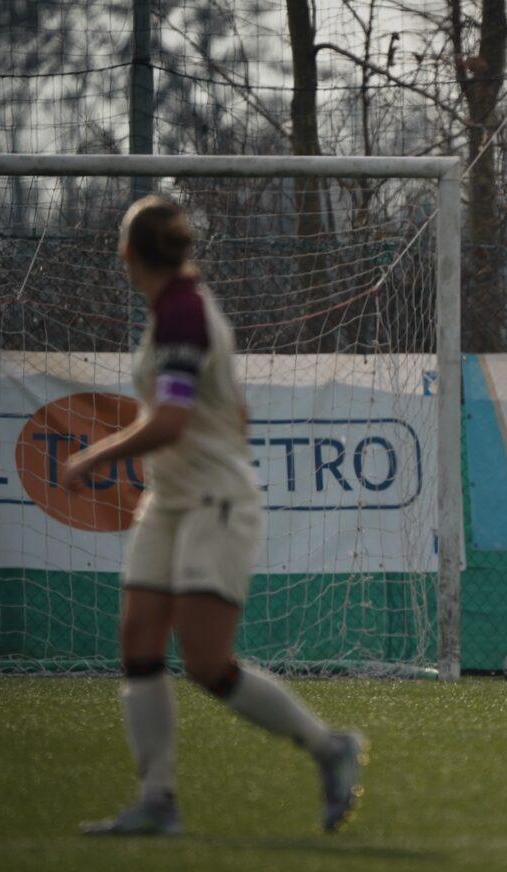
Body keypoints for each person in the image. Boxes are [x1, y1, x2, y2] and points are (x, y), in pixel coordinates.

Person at [60, 195, 367, 834]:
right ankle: (157, 801)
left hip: (214, 502)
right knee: (138, 640)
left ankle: (328, 747)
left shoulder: (183, 311)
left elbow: (171, 421)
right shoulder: (173, 311)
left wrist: (92, 456)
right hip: (169, 500)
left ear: (129, 252)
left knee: (204, 662)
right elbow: (234, 411)